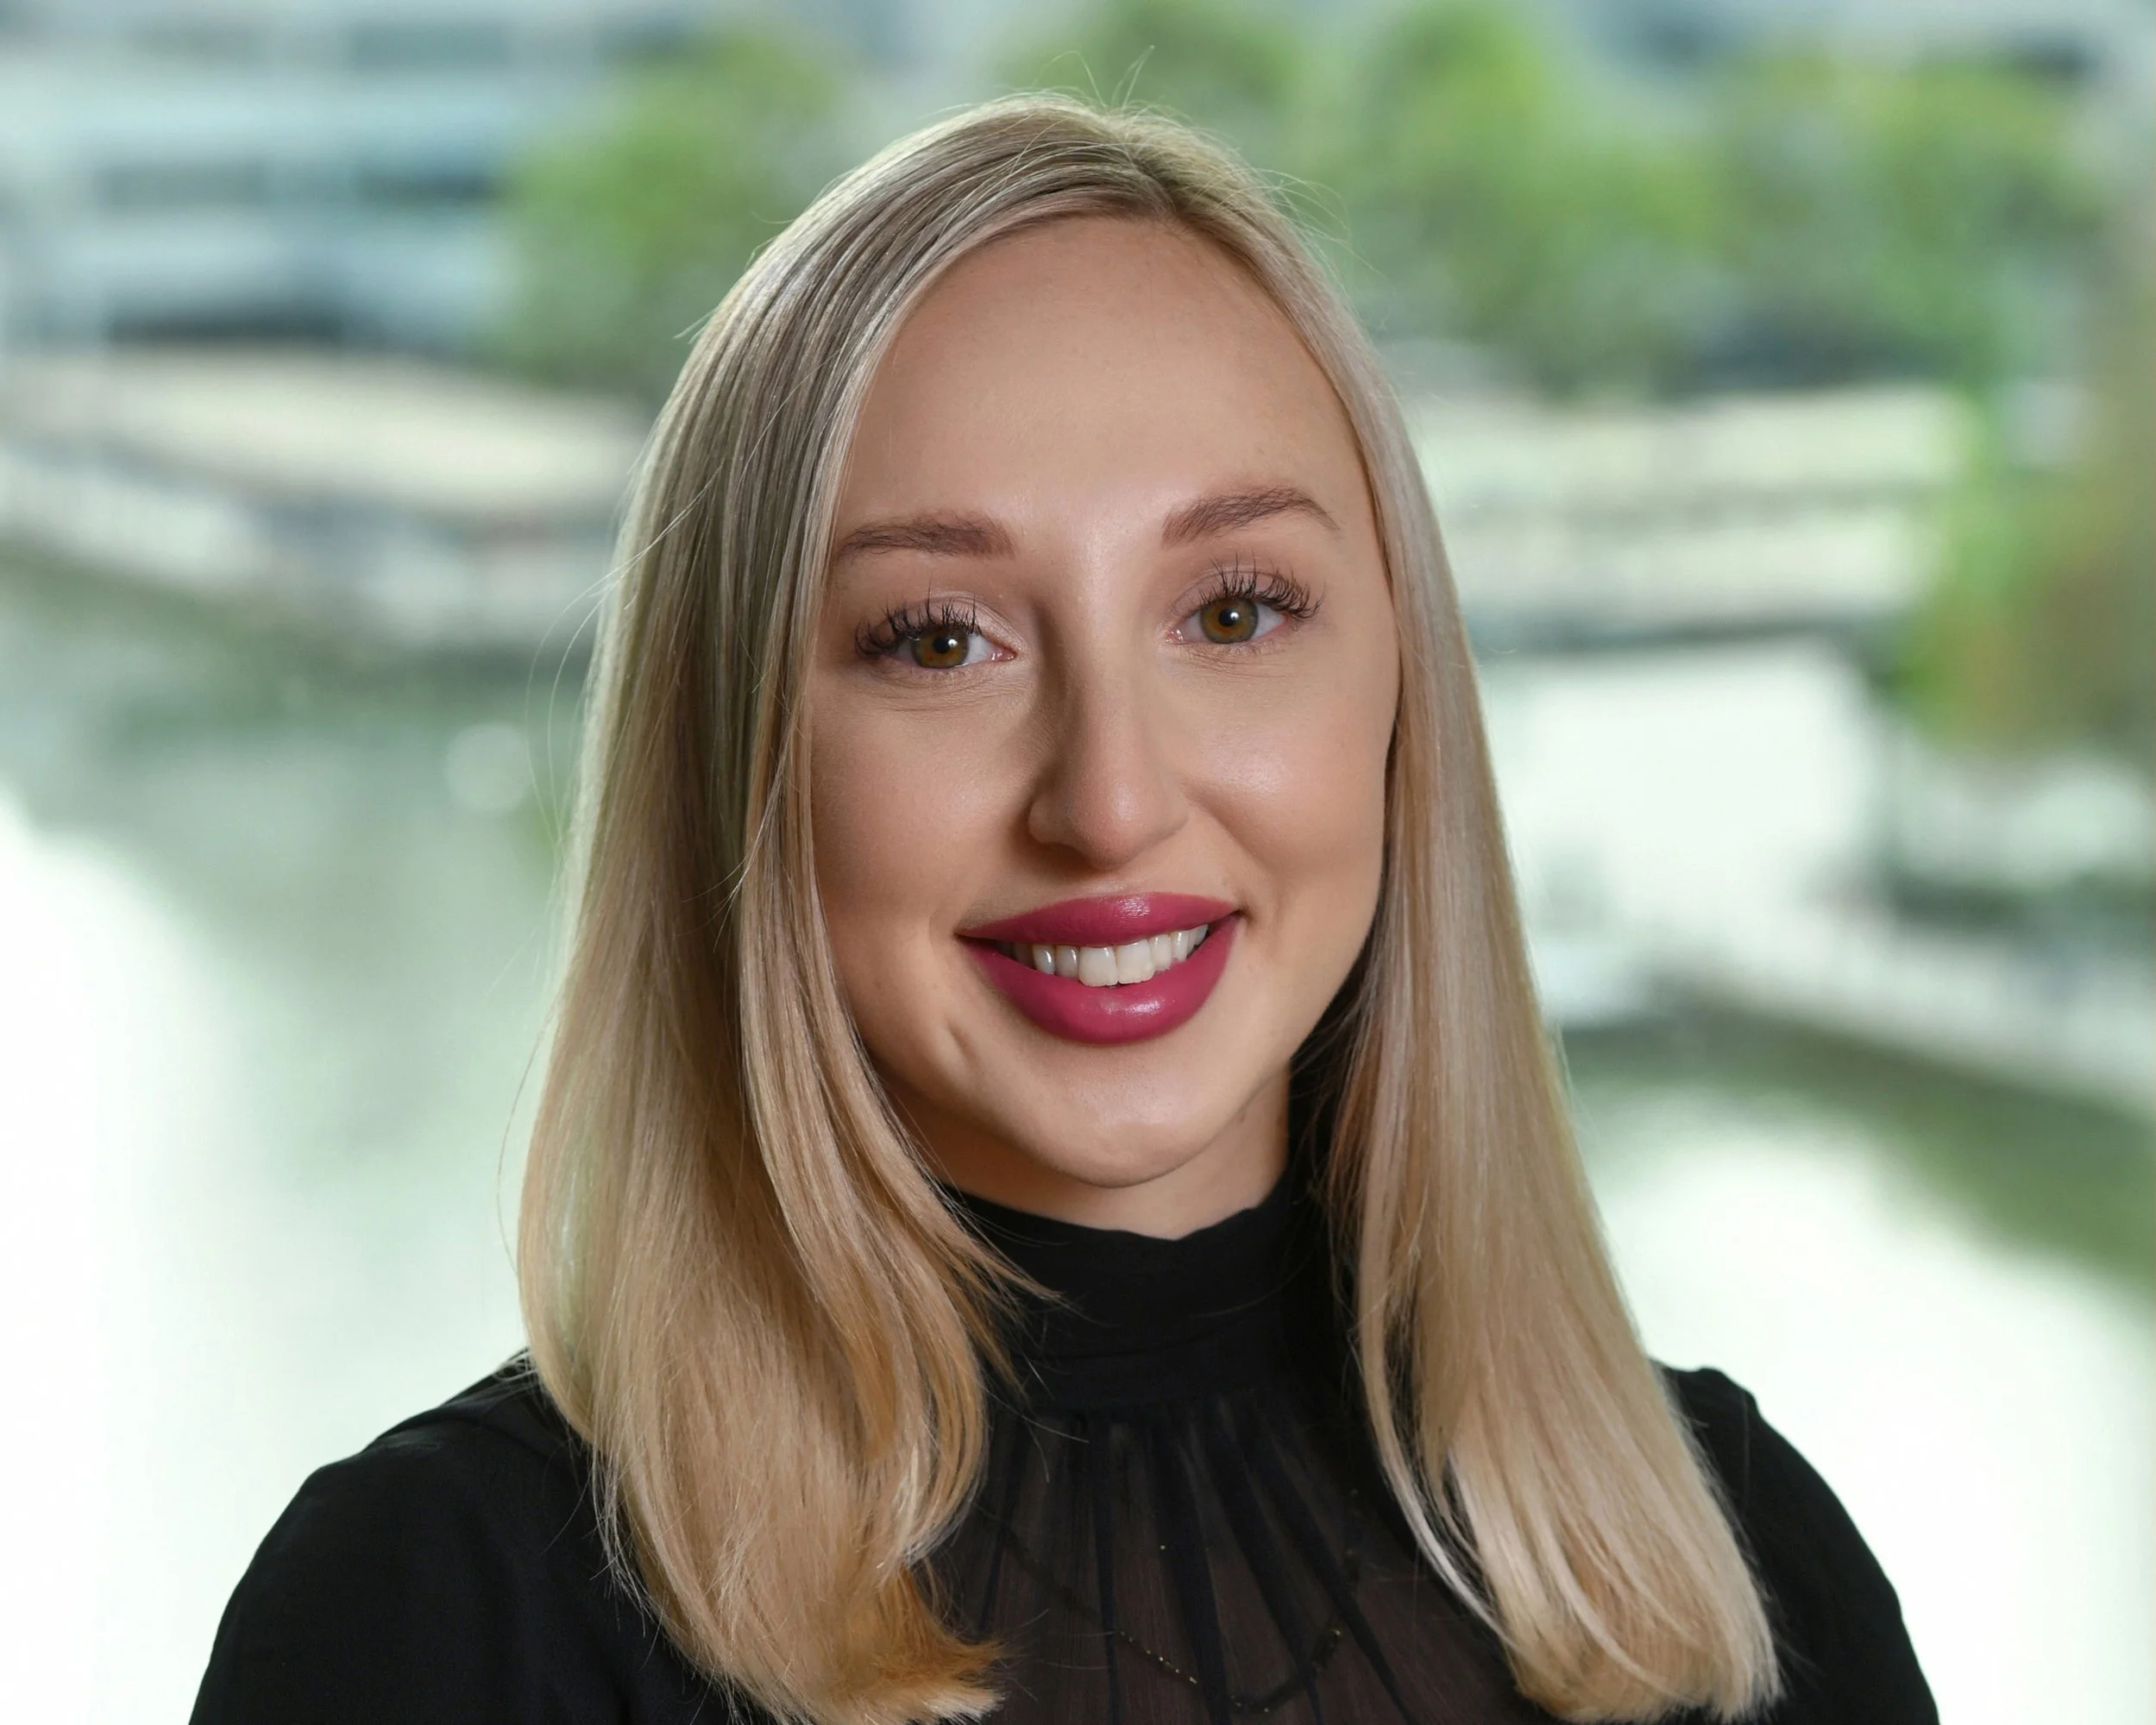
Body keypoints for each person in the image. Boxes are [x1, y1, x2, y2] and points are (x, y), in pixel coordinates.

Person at [191, 97, 1935, 1725]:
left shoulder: (1748, 1565)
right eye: (937, 637)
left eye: (1233, 612)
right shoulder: (432, 1619)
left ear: (1404, 696)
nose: (1107, 800)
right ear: (732, 755)